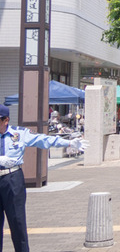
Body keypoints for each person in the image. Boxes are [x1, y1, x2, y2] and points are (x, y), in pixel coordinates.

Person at [0, 104, 89, 252]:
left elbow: (43, 140)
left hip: (12, 178)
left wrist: (68, 142)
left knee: (17, 221)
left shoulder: (19, 133)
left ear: (6, 120)